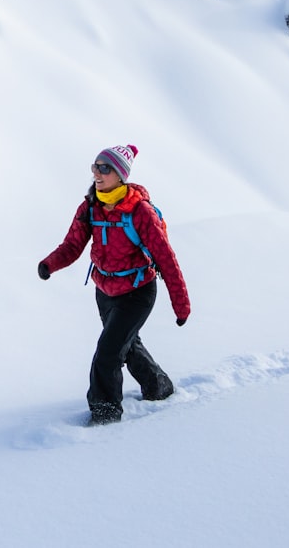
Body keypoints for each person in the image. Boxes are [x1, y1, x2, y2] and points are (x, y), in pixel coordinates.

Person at [38, 145, 190, 426]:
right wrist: (49, 264)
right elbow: (73, 245)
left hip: (137, 292)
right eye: (95, 166)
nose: (97, 172)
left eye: (104, 168)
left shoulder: (140, 211)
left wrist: (181, 306)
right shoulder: (90, 206)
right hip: (105, 292)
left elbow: (166, 259)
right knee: (127, 345)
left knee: (108, 353)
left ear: (120, 175)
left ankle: (105, 413)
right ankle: (159, 387)